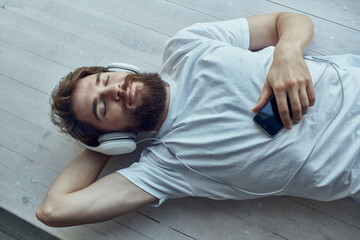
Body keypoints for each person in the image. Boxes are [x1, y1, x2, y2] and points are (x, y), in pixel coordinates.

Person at [36, 12, 360, 227]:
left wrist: (287, 50)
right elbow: (53, 211)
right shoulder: (166, 169)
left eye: (106, 81)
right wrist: (105, 147)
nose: (115, 91)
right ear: (115, 139)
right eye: (102, 108)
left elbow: (288, 20)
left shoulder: (187, 47)